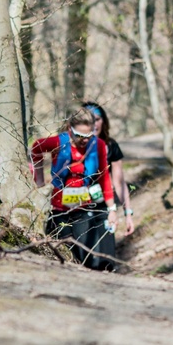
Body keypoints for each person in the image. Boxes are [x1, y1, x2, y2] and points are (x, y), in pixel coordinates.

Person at [31, 107, 118, 271]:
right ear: (70, 129)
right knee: (65, 248)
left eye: (88, 135)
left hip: (83, 206)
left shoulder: (98, 145)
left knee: (83, 250)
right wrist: (39, 180)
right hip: (58, 208)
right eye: (80, 136)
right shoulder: (58, 142)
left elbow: (104, 177)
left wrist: (112, 208)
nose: (84, 140)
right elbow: (36, 148)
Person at [82, 102, 135, 235]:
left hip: (104, 208)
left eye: (97, 119)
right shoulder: (71, 146)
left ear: (104, 121)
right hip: (76, 209)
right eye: (89, 120)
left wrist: (127, 213)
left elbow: (119, 183)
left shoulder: (111, 146)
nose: (94, 124)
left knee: (105, 254)